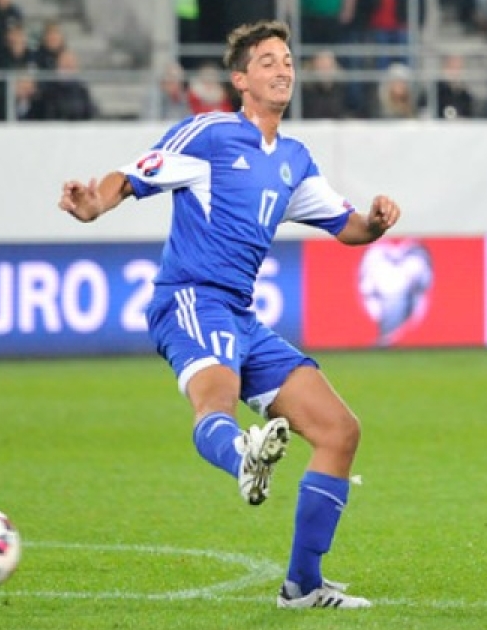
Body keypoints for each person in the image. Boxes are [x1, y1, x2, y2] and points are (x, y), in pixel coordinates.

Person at [57, 20, 401, 610]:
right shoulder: (211, 134)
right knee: (215, 400)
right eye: (267, 61)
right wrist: (96, 203)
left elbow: (345, 225)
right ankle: (243, 455)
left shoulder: (292, 158)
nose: (282, 69)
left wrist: (374, 222)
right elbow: (134, 175)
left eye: (287, 59)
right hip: (190, 299)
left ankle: (302, 586)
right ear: (240, 79)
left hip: (242, 315)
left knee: (339, 431)